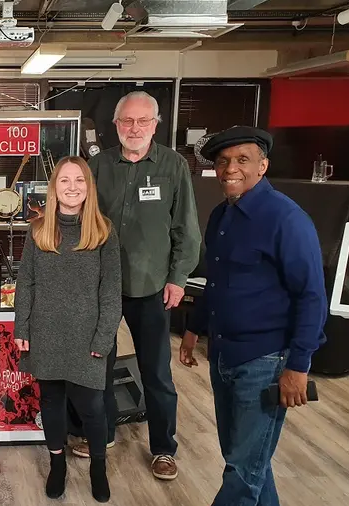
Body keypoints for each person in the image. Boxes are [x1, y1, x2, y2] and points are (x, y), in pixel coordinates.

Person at [179, 126, 326, 506]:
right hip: (224, 353)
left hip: (266, 360)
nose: (230, 168)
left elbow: (312, 296)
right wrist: (193, 329)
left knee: (245, 464)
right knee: (244, 455)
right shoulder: (222, 215)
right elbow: (216, 280)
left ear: (263, 165)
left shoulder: (286, 219)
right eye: (223, 161)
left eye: (242, 160)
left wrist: (298, 366)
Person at [79, 91, 201, 482]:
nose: (134, 128)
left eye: (143, 121)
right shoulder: (98, 166)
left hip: (152, 286)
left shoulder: (173, 166)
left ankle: (164, 448)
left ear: (155, 124)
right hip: (104, 285)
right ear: (116, 125)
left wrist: (178, 278)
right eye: (127, 121)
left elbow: (186, 229)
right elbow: (80, 223)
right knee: (99, 365)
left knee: (156, 371)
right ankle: (104, 433)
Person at [13, 156, 121, 501]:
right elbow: (26, 283)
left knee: (93, 406)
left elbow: (110, 290)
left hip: (87, 336)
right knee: (52, 401)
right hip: (45, 331)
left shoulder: (104, 231)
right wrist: (22, 327)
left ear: (88, 187)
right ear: (54, 187)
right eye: (64, 180)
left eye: (79, 180)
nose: (72, 187)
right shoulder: (38, 230)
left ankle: (98, 467)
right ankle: (57, 464)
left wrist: (104, 337)